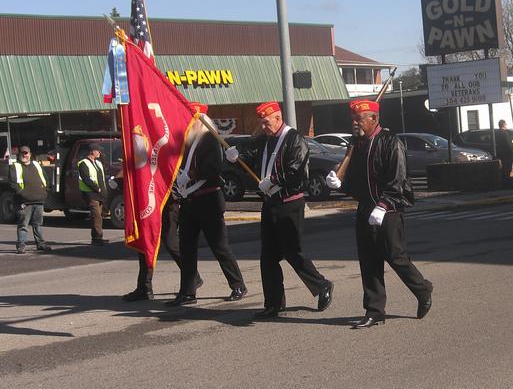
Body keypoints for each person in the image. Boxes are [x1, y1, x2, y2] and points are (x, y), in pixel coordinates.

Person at [324, 99, 433, 329]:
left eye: (359, 119)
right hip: (366, 209)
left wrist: (384, 205)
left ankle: (423, 289)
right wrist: (339, 183)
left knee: (396, 257)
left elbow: (398, 179)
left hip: (388, 210)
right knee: (369, 260)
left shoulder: (391, 142)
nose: (355, 123)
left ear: (374, 119)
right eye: (353, 119)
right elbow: (355, 180)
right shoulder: (357, 144)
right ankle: (374, 310)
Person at [225, 101, 334, 318]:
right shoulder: (265, 140)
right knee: (268, 256)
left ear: (278, 117)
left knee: (293, 251)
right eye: (261, 123)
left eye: (266, 122)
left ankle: (322, 285)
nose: (263, 126)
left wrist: (274, 180)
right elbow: (253, 161)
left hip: (290, 203)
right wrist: (236, 158)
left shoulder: (294, 139)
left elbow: (297, 170)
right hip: (270, 203)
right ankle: (273, 304)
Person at [168, 123, 247, 306]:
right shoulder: (188, 142)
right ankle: (187, 291)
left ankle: (238, 285)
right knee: (187, 248)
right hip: (189, 201)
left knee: (219, 246)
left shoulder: (210, 139)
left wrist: (191, 175)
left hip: (208, 201)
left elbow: (213, 169)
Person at [122, 191, 185, 302]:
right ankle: (144, 287)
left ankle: (191, 276)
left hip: (167, 198)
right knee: (145, 241)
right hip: (149, 197)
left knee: (170, 242)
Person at [10, 146, 50, 254]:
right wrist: (22, 194)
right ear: (19, 155)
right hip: (24, 202)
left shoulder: (36, 164)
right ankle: (21, 245)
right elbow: (13, 184)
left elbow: (45, 178)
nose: (24, 155)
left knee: (38, 224)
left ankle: (40, 244)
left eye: (26, 153)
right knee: (23, 225)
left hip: (39, 200)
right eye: (22, 153)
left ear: (30, 154)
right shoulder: (15, 166)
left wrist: (45, 191)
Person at [78, 144, 107, 246]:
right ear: (92, 151)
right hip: (91, 193)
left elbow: (102, 176)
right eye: (98, 151)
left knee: (100, 215)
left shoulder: (98, 163)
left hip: (100, 194)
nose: (100, 153)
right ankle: (96, 238)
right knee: (96, 215)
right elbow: (86, 178)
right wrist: (96, 187)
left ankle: (98, 237)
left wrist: (103, 192)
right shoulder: (83, 163)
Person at [494, 119, 513, 185]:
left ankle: (504, 183)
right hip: (507, 154)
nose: (506, 125)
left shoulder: (496, 133)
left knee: (503, 170)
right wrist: (512, 151)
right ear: (503, 125)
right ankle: (508, 184)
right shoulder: (505, 133)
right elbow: (508, 144)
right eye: (506, 124)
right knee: (508, 169)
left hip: (500, 154)